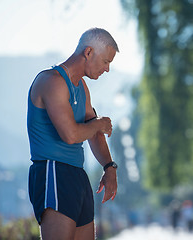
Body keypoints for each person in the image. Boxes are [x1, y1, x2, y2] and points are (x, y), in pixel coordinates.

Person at [27, 28, 120, 240]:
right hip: (53, 171)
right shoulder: (52, 82)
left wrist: (109, 167)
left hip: (78, 174)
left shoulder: (81, 87)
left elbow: (94, 131)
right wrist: (98, 124)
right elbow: (70, 135)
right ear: (88, 52)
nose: (107, 69)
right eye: (105, 61)